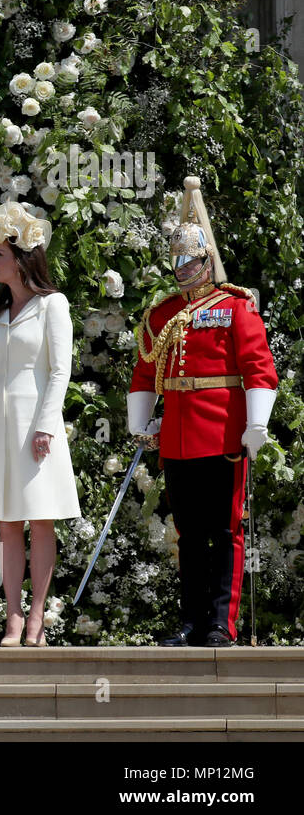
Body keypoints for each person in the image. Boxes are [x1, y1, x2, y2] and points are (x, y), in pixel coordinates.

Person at [128, 177, 278, 647]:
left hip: (223, 434)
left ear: (205, 260)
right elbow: (144, 371)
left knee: (226, 530)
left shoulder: (235, 307)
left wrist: (256, 423)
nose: (180, 268)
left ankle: (220, 623)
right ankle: (192, 620)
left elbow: (258, 368)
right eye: (174, 260)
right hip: (176, 437)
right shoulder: (163, 313)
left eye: (188, 259)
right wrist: (139, 422)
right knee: (188, 534)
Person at [0, 202, 80, 648]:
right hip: (0, 426)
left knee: (39, 519)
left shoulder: (53, 305)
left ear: (20, 259)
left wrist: (46, 426)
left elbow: (60, 370)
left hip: (37, 426)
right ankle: (12, 618)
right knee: (7, 522)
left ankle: (37, 618)